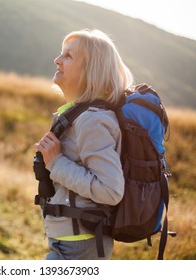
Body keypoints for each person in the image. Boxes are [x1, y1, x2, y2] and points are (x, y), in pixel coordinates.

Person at [35, 29, 134, 260]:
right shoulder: (80, 114)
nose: (57, 60)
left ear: (91, 70)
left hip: (81, 246)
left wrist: (56, 162)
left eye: (68, 56)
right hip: (73, 242)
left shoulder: (92, 120)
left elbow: (110, 191)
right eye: (61, 54)